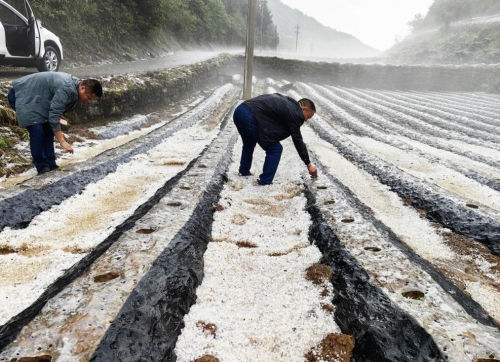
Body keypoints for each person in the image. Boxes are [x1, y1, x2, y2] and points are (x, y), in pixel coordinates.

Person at [7, 72, 103, 175]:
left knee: (48, 130)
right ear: (83, 88)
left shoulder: (75, 87)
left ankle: (51, 164)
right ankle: (42, 168)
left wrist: (58, 114)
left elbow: (56, 107)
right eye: (87, 97)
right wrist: (62, 141)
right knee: (37, 131)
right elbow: (54, 115)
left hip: (37, 99)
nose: (87, 100)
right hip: (21, 95)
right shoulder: (67, 88)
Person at [233, 93, 318, 185]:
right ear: (304, 109)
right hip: (250, 116)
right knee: (275, 149)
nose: (305, 120)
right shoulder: (296, 113)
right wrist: (308, 164)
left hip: (239, 110)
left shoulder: (289, 102)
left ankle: (244, 171)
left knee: (249, 143)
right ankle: (265, 182)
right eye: (308, 117)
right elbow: (297, 139)